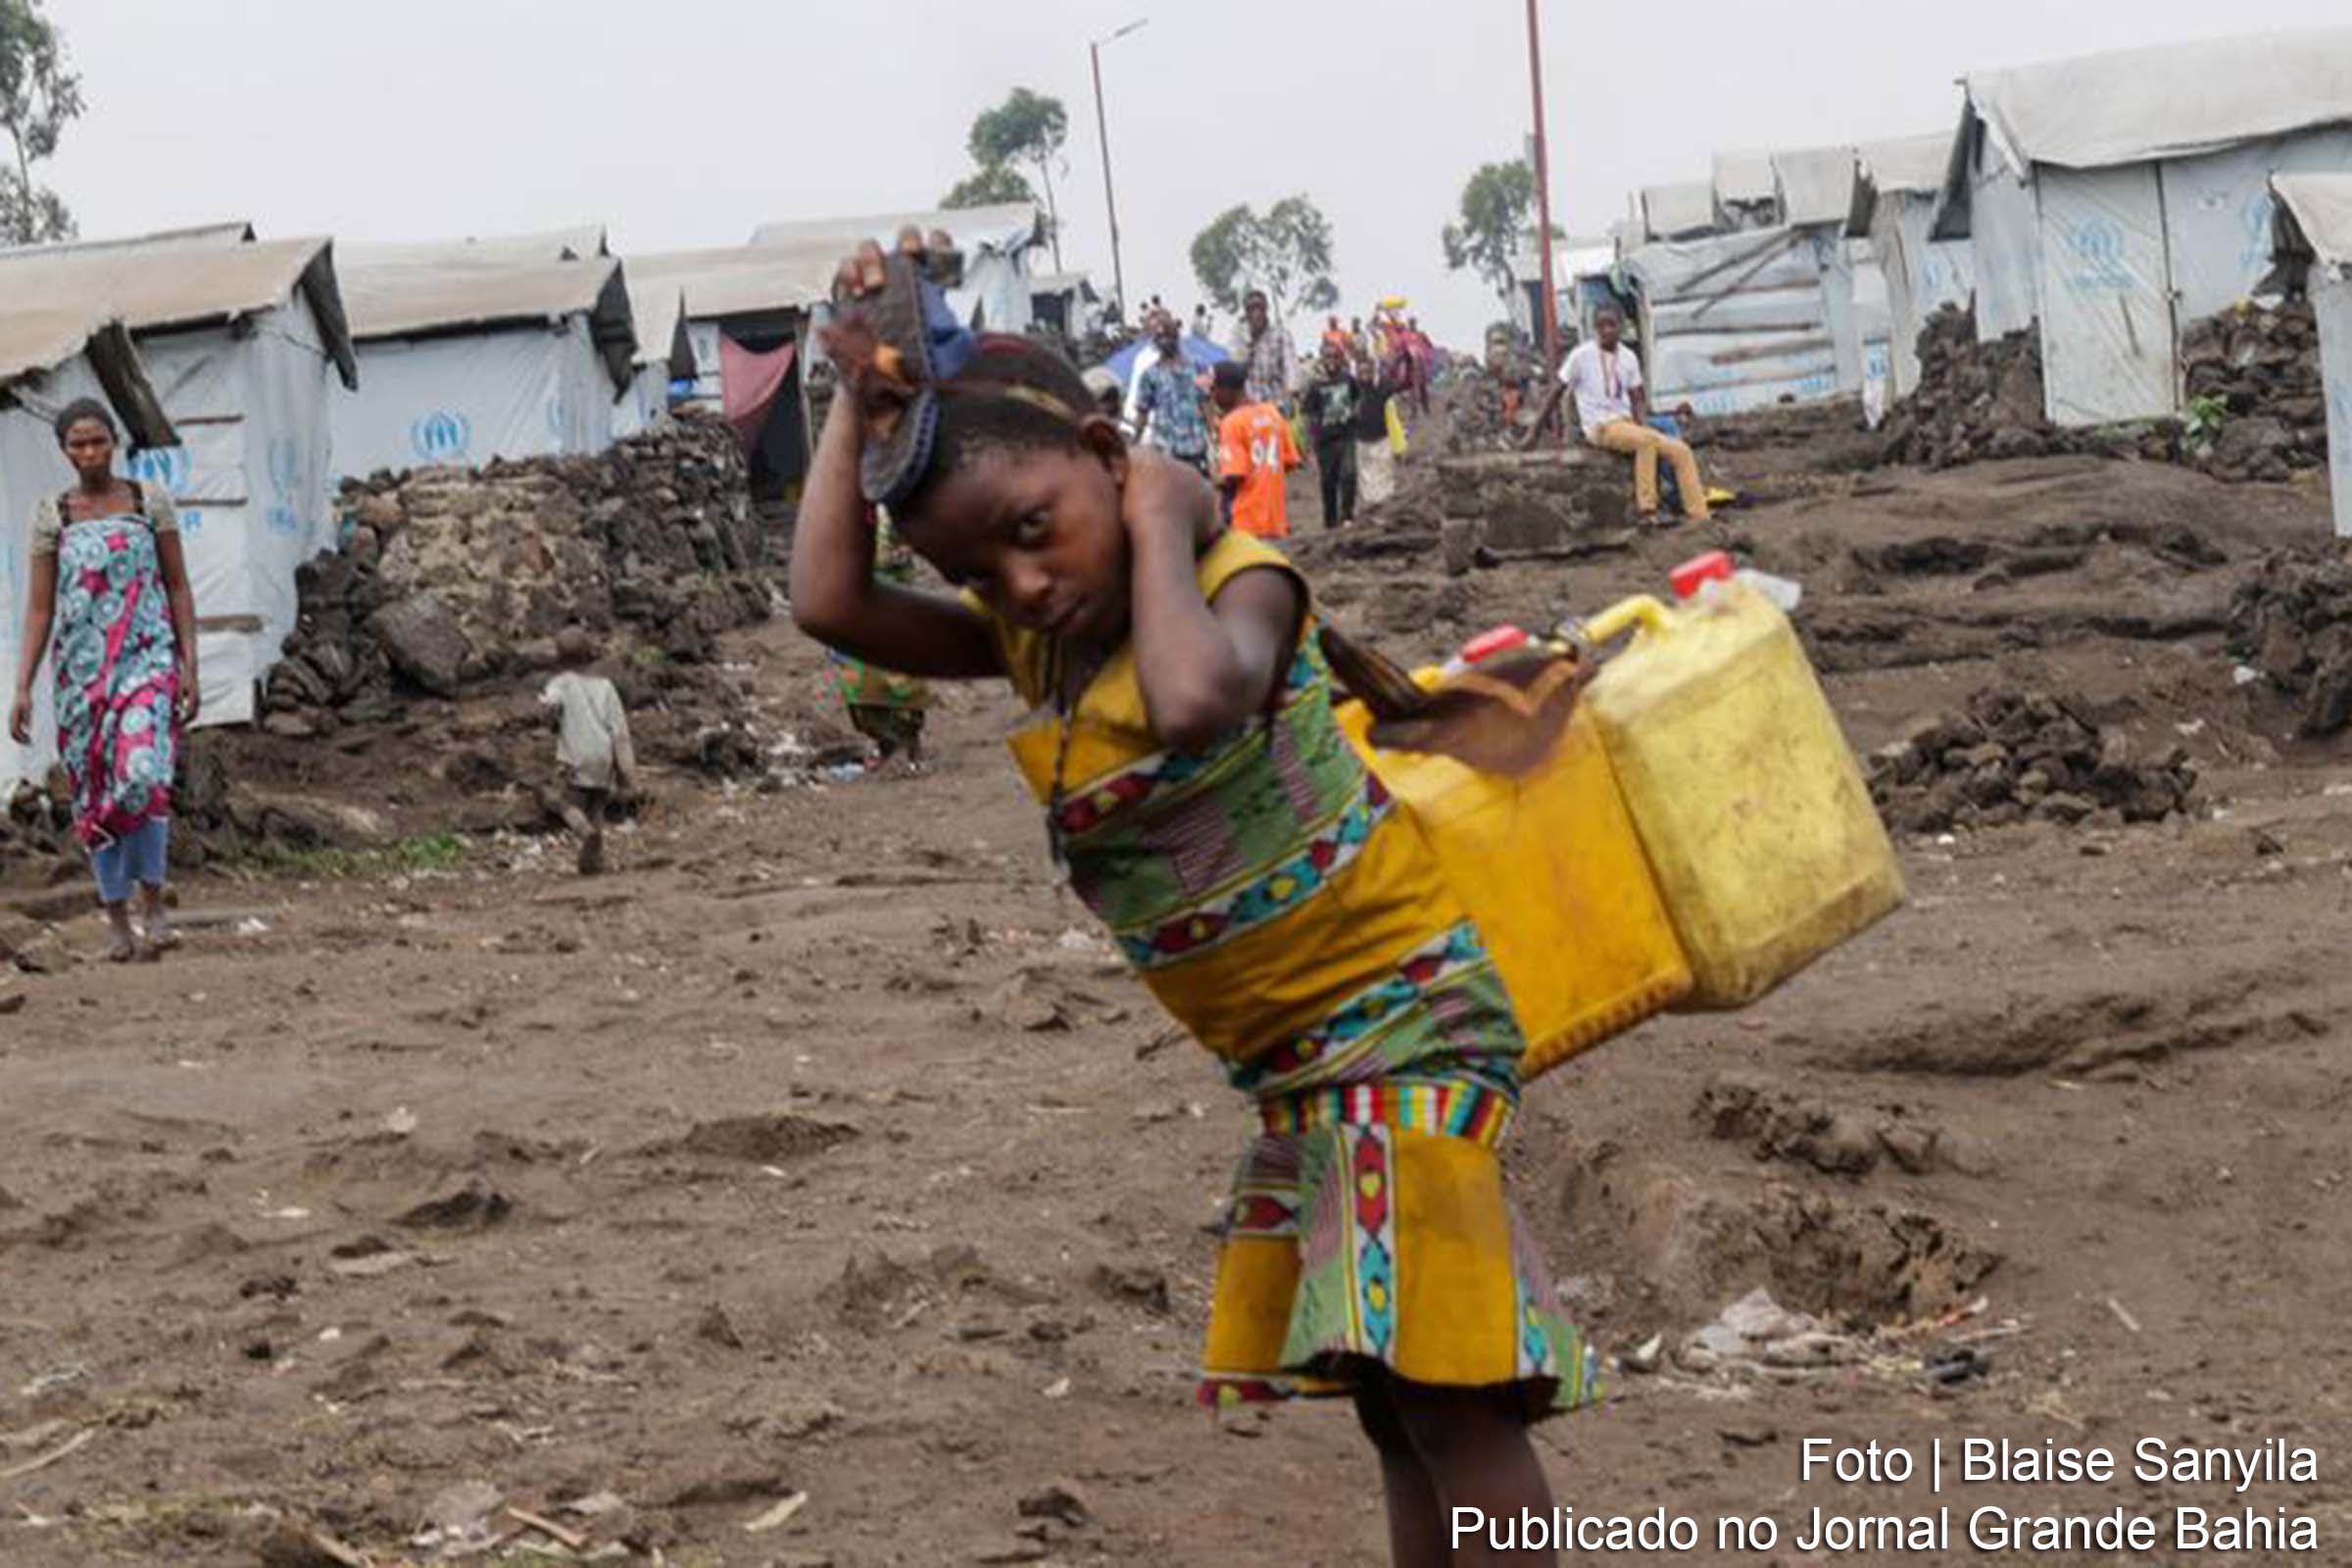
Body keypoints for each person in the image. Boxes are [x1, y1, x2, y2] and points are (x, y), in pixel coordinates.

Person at [792, 242, 1597, 1568]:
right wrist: (854, 392)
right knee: (1399, 1402)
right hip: (1304, 1068)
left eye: (1034, 528)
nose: (1023, 583)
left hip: (1400, 1028)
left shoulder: (1243, 580)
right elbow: (827, 599)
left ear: (1112, 457)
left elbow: (1195, 701)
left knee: (1454, 1398)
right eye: (983, 574)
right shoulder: (1042, 640)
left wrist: (1166, 517)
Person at [10, 399, 199, 962]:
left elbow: (178, 586)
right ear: (64, 450)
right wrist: (22, 686)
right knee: (93, 791)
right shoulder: (54, 515)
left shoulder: (147, 501)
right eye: (77, 444)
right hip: (81, 676)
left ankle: (155, 902)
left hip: (146, 660)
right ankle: (117, 917)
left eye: (98, 441)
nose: (89, 453)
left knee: (143, 776)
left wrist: (190, 662)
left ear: (113, 442)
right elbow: (40, 609)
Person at [1523, 305, 1711, 524]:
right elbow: (1556, 390)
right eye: (1601, 326)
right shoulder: (1581, 356)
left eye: (1611, 325)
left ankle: (1700, 516)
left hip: (1627, 423)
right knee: (1646, 442)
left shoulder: (1628, 357)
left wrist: (1643, 424)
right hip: (1601, 426)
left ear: (1620, 327)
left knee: (1681, 451)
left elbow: (1637, 399)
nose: (1606, 330)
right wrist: (1534, 431)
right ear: (1595, 328)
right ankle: (1648, 511)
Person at [539, 627, 637, 874]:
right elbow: (620, 734)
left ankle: (585, 833)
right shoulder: (606, 687)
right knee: (596, 806)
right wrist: (627, 775)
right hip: (603, 759)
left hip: (576, 759)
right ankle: (592, 861)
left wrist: (552, 720)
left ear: (560, 659)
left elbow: (550, 706)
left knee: (559, 801)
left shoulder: (560, 684)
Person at [1210, 361, 1301, 540]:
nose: (1213, 396)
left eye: (1215, 389)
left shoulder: (1232, 423)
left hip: (1244, 519)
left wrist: (1213, 480)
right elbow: (1289, 462)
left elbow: (1234, 476)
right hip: (1274, 520)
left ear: (1227, 389)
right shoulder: (1272, 413)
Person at [1128, 312, 1214, 476]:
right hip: (1165, 451)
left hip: (1195, 448)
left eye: (1167, 335)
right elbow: (1142, 413)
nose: (1163, 341)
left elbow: (1207, 404)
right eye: (1158, 338)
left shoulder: (1199, 367)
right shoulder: (1150, 374)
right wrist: (1133, 443)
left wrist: (1215, 441)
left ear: (1176, 335)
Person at [1300, 338, 1364, 529]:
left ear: (1341, 359)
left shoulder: (1347, 379)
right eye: (1327, 356)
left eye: (1335, 356)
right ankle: (1330, 521)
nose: (1331, 360)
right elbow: (1307, 414)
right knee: (1329, 481)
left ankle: (1347, 515)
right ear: (1321, 359)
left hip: (1347, 436)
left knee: (1349, 474)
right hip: (1324, 441)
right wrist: (1309, 444)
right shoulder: (1315, 385)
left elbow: (1359, 397)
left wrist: (1355, 411)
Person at [1227, 288, 1298, 412]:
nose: (1256, 313)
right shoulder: (1238, 335)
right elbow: (1236, 368)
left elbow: (1290, 366)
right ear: (1246, 313)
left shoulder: (1281, 334)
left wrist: (1289, 394)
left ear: (1266, 309)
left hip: (1276, 401)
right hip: (1248, 402)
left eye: (1260, 308)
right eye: (1251, 309)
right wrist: (1251, 342)